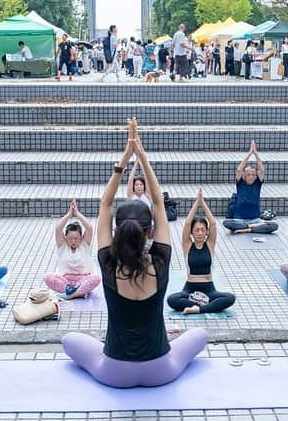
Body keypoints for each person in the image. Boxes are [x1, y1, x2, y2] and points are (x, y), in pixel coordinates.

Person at [62, 118, 208, 388]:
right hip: (161, 369)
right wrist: (141, 155)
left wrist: (125, 157)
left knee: (69, 340)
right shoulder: (161, 262)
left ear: (116, 231)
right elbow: (158, 204)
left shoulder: (107, 263)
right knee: (199, 334)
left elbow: (104, 205)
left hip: (114, 372)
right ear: (149, 231)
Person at [167, 187, 235, 314]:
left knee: (230, 298)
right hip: (190, 289)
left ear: (206, 232)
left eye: (202, 230)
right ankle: (205, 305)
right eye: (196, 230)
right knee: (172, 300)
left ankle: (198, 308)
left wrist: (203, 203)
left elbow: (213, 223)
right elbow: (187, 224)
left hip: (209, 289)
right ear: (192, 232)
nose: (199, 233)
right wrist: (195, 204)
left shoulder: (210, 244)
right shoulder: (187, 245)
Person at [44, 199, 101, 299]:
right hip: (65, 281)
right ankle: (73, 290)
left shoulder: (84, 244)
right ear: (65, 237)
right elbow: (58, 229)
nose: (73, 241)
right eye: (70, 238)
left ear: (81, 238)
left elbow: (89, 228)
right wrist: (69, 214)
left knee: (96, 278)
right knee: (47, 277)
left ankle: (72, 294)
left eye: (76, 238)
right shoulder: (63, 245)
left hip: (83, 280)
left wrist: (78, 214)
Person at [223, 140, 278, 234]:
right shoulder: (240, 183)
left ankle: (247, 229)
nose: (251, 176)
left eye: (253, 174)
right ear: (244, 175)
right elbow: (239, 169)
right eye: (248, 174)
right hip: (239, 219)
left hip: (255, 220)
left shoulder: (257, 183)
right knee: (226, 223)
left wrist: (256, 154)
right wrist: (249, 154)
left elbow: (262, 170)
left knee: (274, 225)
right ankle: (251, 228)